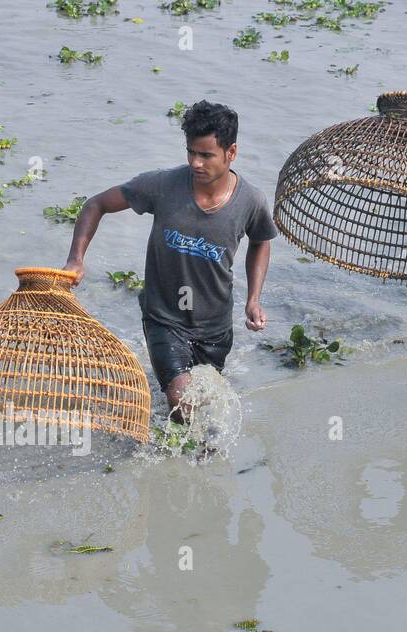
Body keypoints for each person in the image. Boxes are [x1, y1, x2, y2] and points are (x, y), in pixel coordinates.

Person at [60, 101, 276, 418]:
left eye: (206, 155)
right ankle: (169, 462)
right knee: (183, 401)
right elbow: (96, 205)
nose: (196, 163)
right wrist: (75, 259)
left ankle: (193, 457)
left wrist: (254, 300)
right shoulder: (162, 186)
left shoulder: (251, 201)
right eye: (191, 152)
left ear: (231, 152)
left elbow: (260, 242)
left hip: (215, 326)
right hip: (163, 318)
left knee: (204, 406)